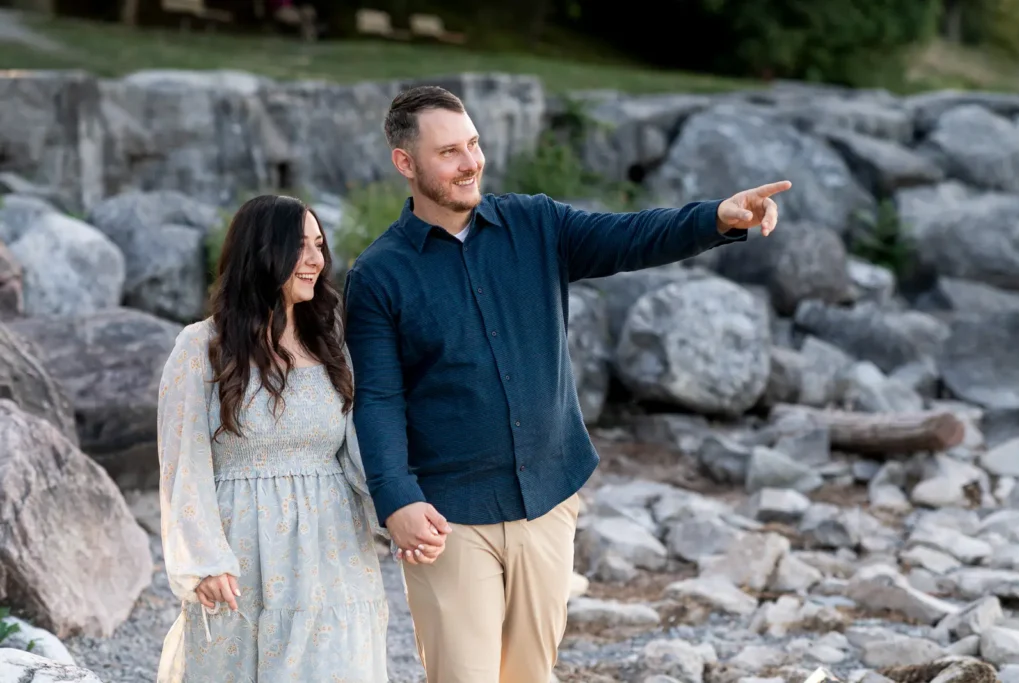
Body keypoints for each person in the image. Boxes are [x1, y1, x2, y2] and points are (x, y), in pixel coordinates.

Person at [342, 85, 792, 683]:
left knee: (531, 673)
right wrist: (396, 499)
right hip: (447, 514)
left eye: (473, 144)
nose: (471, 162)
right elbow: (377, 397)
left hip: (548, 498)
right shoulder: (378, 275)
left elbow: (631, 235)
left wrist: (713, 218)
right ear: (406, 163)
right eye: (450, 151)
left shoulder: (536, 223)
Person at [155, 194, 420, 683]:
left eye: (320, 245)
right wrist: (204, 561)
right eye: (300, 246)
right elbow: (182, 465)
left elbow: (357, 450)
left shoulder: (332, 342)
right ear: (262, 252)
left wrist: (396, 511)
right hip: (243, 554)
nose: (317, 259)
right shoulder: (201, 347)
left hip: (334, 550)